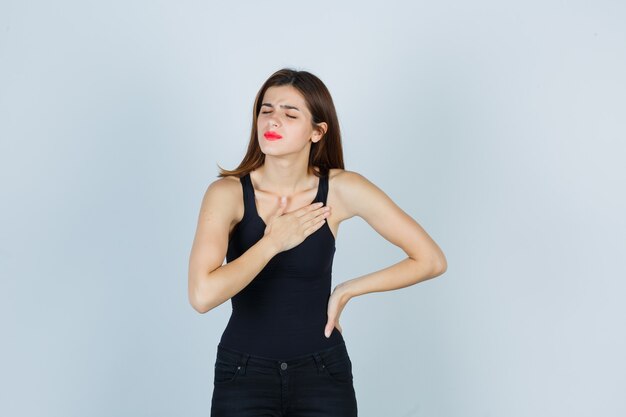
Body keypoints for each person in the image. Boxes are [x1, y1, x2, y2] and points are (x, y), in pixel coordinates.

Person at [188, 68, 447, 416]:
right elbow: (202, 296)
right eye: (266, 110)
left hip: (322, 373)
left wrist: (347, 290)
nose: (273, 120)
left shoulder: (341, 189)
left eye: (289, 113)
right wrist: (272, 243)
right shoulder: (227, 193)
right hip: (243, 375)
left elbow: (430, 259)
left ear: (317, 131)